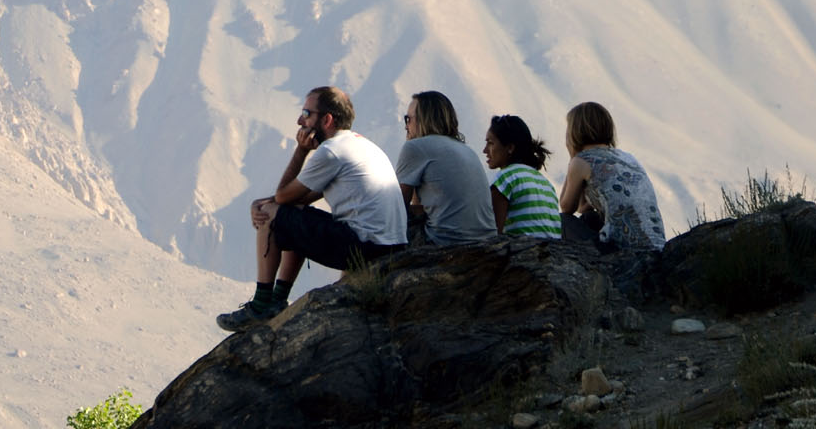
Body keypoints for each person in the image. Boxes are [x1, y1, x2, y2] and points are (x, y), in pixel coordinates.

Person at [215, 86, 407, 331]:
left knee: (270, 216)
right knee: (292, 215)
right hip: (389, 247)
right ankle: (277, 300)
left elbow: (283, 196)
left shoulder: (331, 151)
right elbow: (297, 200)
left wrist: (301, 151)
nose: (299, 121)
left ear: (327, 120)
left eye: (306, 113)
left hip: (364, 248)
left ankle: (262, 306)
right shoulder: (360, 145)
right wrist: (268, 202)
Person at [557, 101, 665, 251]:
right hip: (656, 245)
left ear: (574, 132)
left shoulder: (581, 161)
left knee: (561, 221)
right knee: (589, 217)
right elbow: (583, 208)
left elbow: (566, 207)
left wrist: (572, 159)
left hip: (623, 249)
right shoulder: (627, 157)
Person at [395, 90, 498, 247]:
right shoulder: (467, 150)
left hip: (447, 241)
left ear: (424, 119)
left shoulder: (415, 147)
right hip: (487, 241)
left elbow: (397, 204)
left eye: (408, 119)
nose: (406, 126)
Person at [483, 113, 562, 238]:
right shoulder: (545, 183)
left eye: (490, 143)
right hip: (553, 248)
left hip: (523, 249)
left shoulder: (506, 178)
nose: (485, 150)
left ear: (510, 148)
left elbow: (492, 232)